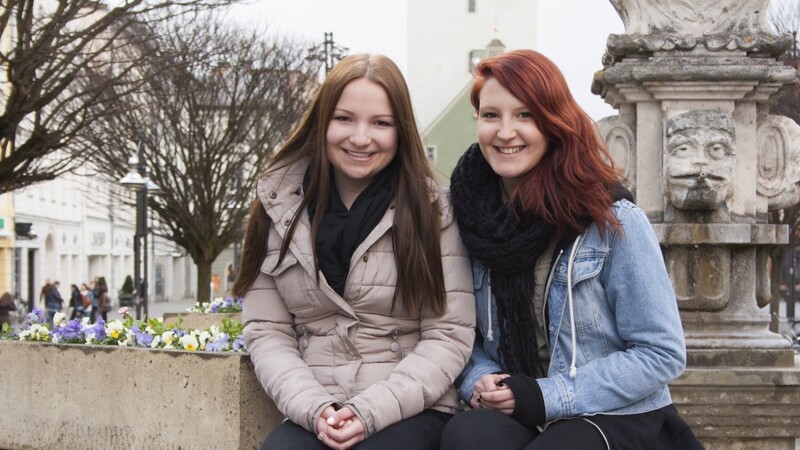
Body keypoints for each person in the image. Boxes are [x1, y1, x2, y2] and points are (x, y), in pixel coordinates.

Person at [441, 50, 702, 450]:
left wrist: (546, 396)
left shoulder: (613, 220)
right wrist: (480, 377)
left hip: (616, 414)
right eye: (491, 115)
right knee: (469, 435)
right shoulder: (466, 217)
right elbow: (455, 330)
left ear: (553, 123)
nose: (505, 132)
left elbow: (661, 353)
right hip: (521, 412)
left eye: (525, 115)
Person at [231, 53, 475, 450]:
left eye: (381, 123)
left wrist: (369, 411)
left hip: (410, 406)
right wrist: (315, 408)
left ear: (401, 132)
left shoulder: (435, 212)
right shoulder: (276, 207)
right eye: (344, 119)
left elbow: (448, 335)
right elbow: (267, 330)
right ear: (321, 122)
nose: (360, 138)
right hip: (318, 405)